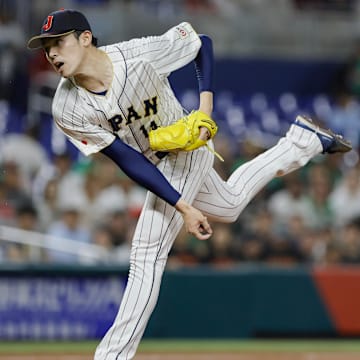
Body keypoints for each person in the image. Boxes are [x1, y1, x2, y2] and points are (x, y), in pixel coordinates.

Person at [27, 9, 352, 359]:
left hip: (186, 150)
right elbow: (128, 159)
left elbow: (202, 44)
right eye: (47, 48)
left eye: (58, 42)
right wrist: (183, 205)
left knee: (146, 252)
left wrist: (205, 110)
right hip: (152, 163)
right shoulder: (66, 107)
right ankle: (302, 142)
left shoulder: (139, 55)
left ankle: (112, 356)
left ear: (85, 38)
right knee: (229, 204)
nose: (53, 54)